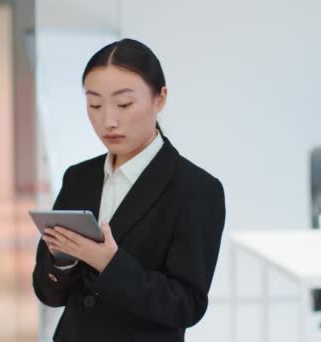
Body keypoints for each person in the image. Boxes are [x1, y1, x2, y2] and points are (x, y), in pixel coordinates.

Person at [32, 38, 226, 342]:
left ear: (159, 99)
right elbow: (48, 293)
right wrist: (62, 259)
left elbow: (186, 305)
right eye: (94, 104)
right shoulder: (79, 177)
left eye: (124, 104)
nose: (108, 120)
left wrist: (109, 264)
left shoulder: (197, 190)